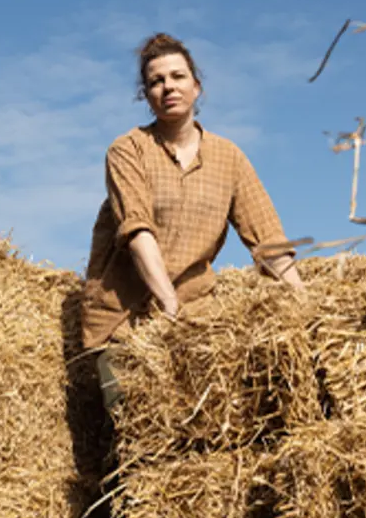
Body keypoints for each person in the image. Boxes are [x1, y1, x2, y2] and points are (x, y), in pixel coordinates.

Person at [81, 32, 304, 408]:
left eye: (177, 76)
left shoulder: (229, 157)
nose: (168, 86)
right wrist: (168, 305)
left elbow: (268, 240)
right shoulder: (128, 150)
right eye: (156, 81)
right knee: (135, 427)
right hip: (125, 317)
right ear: (146, 96)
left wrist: (304, 302)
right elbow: (137, 231)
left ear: (197, 87)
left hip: (197, 315)